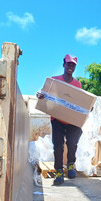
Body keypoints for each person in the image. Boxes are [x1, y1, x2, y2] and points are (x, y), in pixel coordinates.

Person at [37, 54, 82, 185]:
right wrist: (40, 95)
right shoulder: (54, 80)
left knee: (72, 144)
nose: (70, 67)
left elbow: (80, 102)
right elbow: (44, 93)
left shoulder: (77, 84)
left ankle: (70, 165)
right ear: (64, 65)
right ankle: (59, 172)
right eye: (68, 64)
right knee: (58, 146)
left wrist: (86, 109)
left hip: (72, 120)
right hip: (57, 119)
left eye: (73, 65)